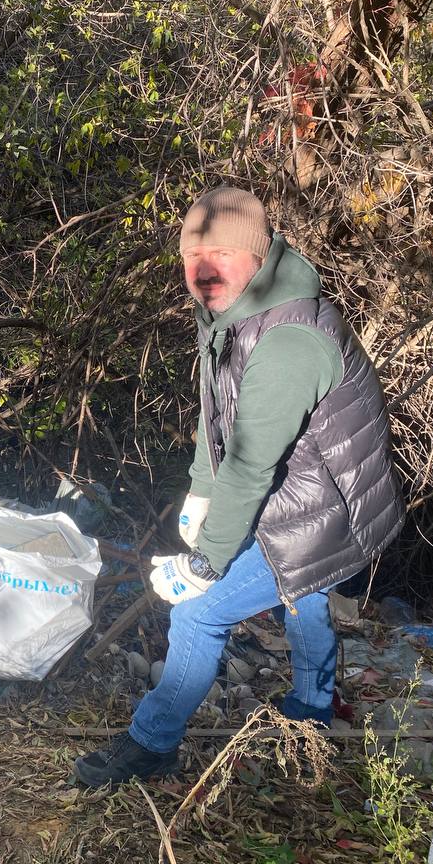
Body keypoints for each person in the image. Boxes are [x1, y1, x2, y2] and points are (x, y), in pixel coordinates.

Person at [74, 186, 404, 787]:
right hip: (306, 493)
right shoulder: (233, 313)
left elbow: (251, 467)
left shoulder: (287, 340)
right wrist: (201, 489)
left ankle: (152, 744)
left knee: (199, 613)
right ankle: (314, 706)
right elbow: (216, 416)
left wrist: (205, 563)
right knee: (304, 598)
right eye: (191, 257)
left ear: (257, 255)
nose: (203, 271)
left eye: (222, 253)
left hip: (328, 511)